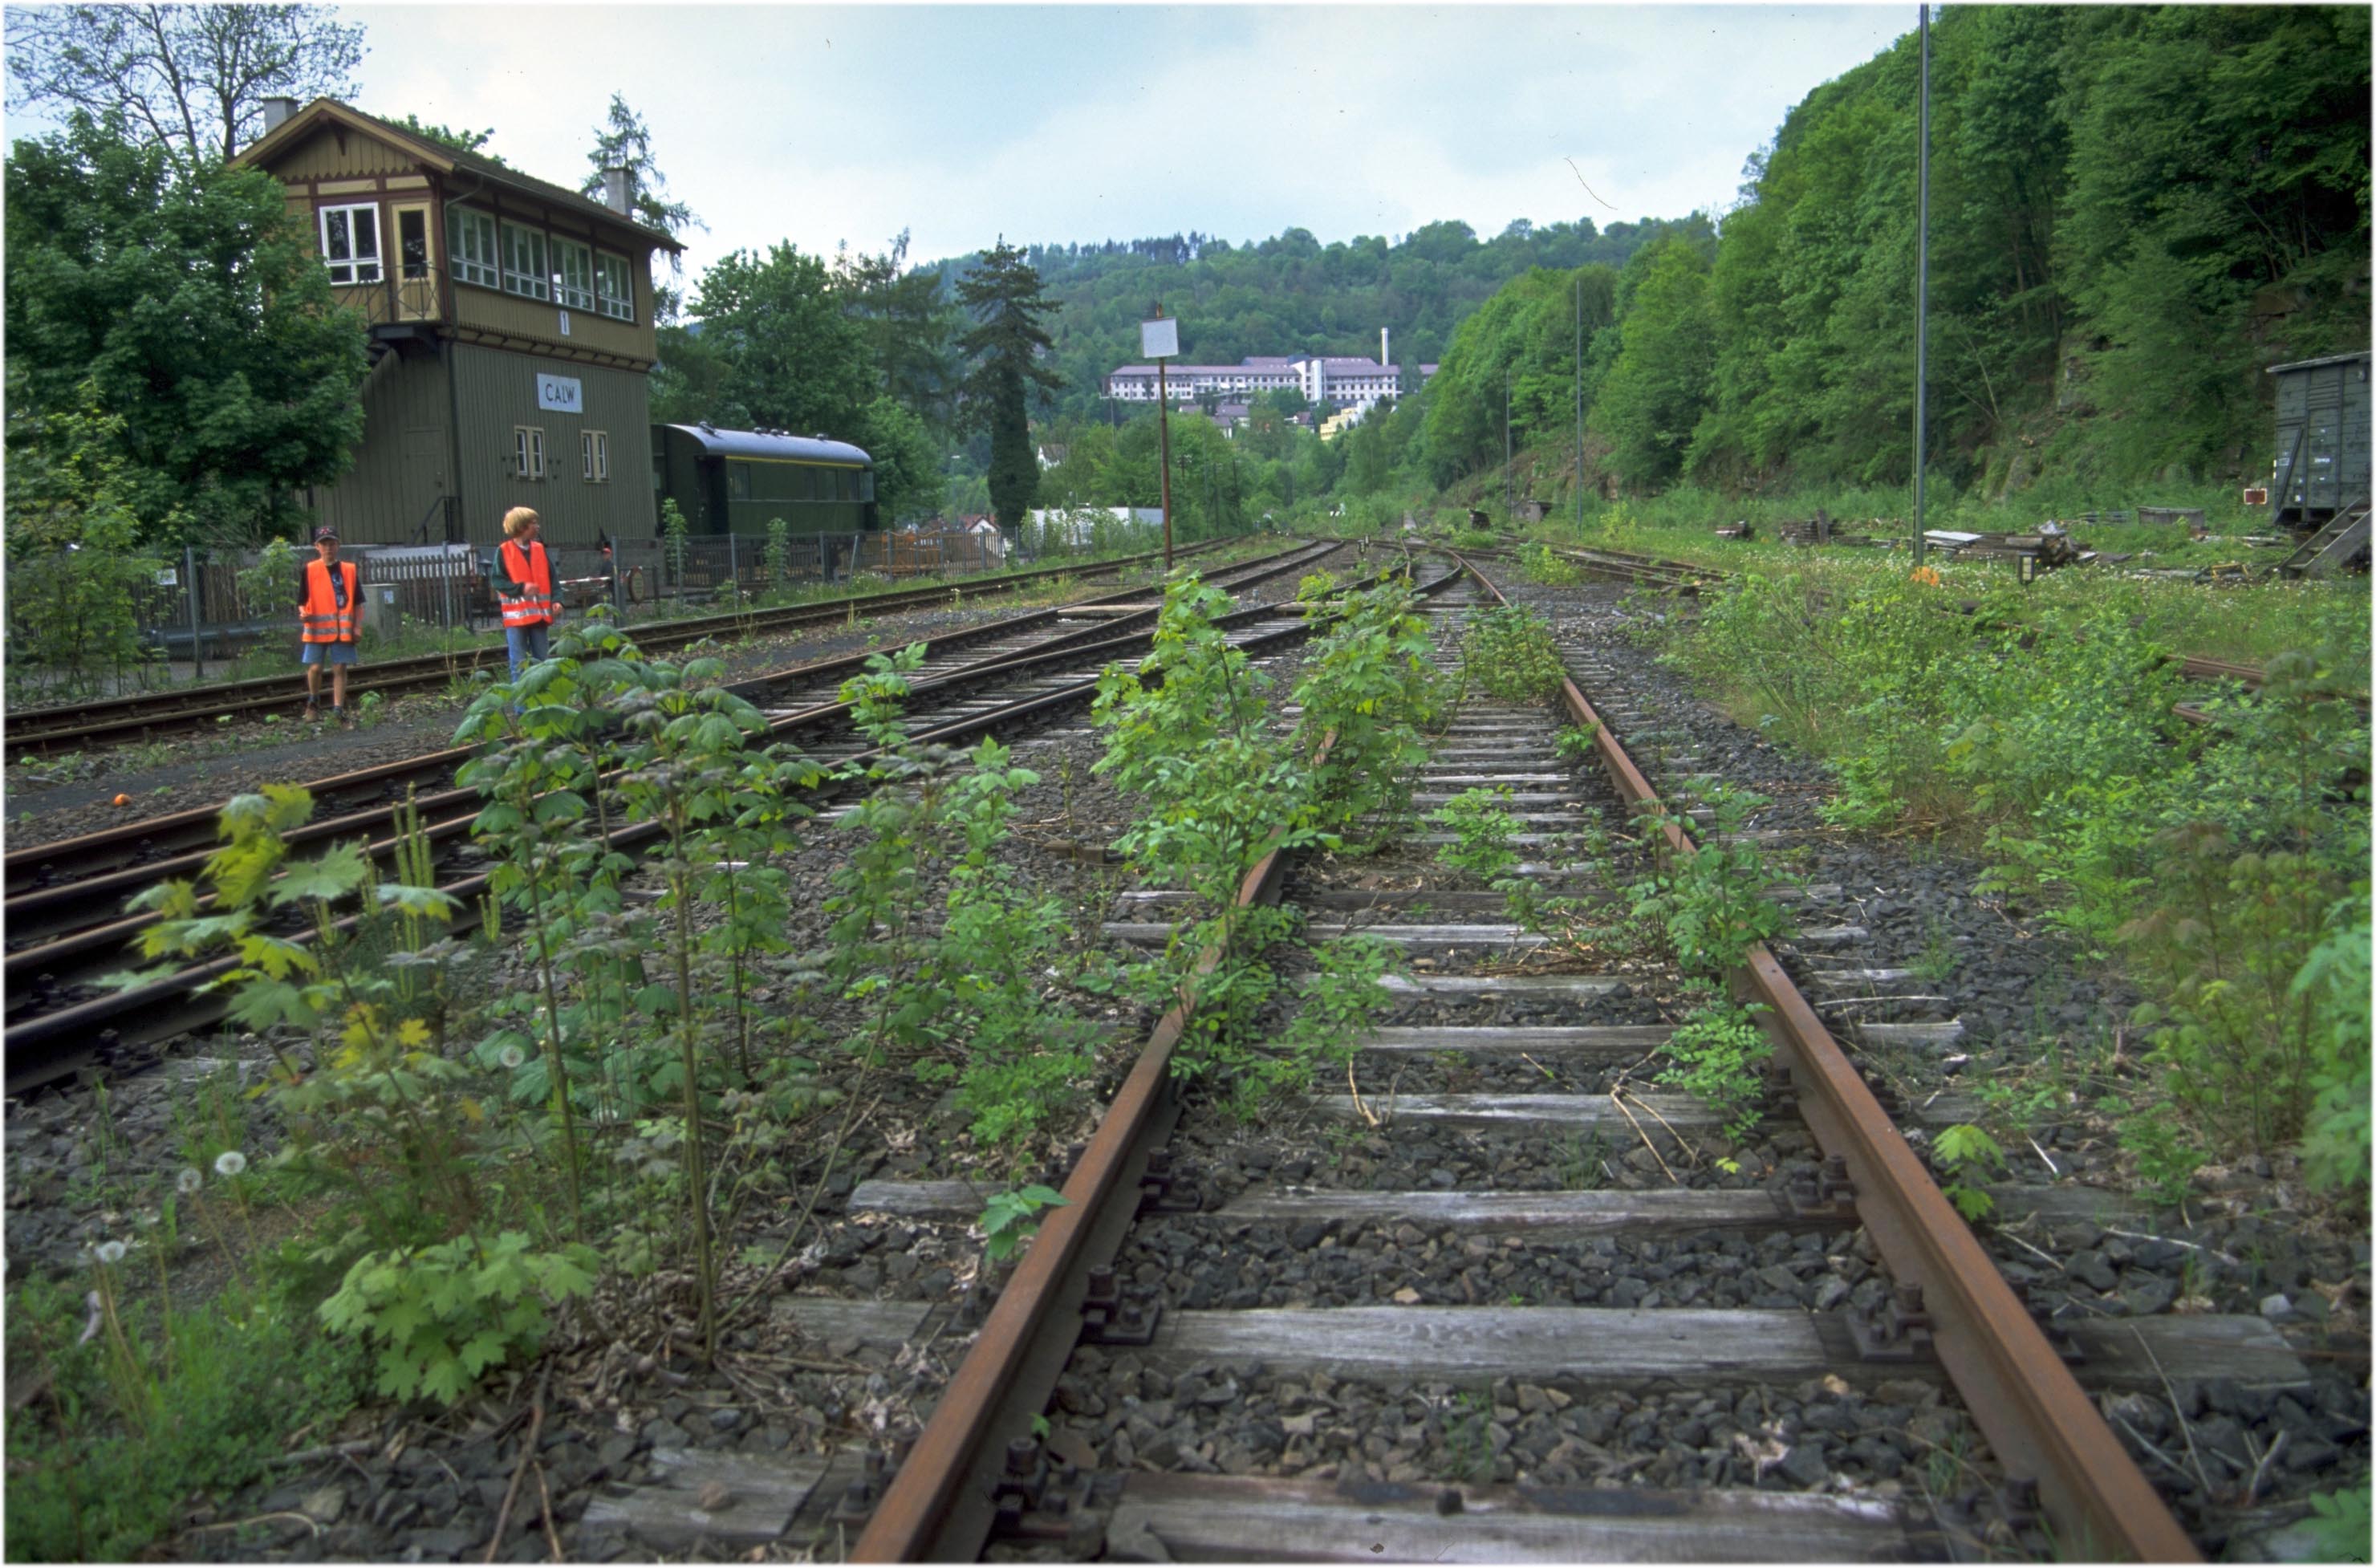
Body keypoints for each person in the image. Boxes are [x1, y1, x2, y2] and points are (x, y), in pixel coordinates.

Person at [298, 525, 360, 725]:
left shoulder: (349, 570)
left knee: (340, 667)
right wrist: (302, 613)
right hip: (317, 629)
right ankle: (313, 701)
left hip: (343, 629)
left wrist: (357, 626)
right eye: (324, 544)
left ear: (338, 546)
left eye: (332, 544)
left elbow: (358, 602)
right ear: (317, 547)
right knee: (315, 668)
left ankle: (338, 710)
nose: (328, 548)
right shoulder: (309, 570)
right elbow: (301, 599)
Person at [496, 506, 560, 691]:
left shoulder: (540, 549)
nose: (537, 527)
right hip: (516, 620)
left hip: (540, 617)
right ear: (522, 526)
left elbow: (552, 578)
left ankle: (543, 704)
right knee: (519, 665)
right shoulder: (504, 551)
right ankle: (522, 711)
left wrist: (557, 600)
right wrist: (521, 588)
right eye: (534, 523)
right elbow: (498, 581)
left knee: (542, 664)